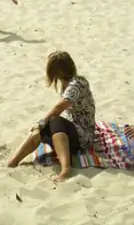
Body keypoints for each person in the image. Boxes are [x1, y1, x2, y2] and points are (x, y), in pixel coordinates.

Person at [7, 51, 96, 181]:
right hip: (72, 131)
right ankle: (13, 162)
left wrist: (39, 125)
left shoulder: (77, 84)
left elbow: (58, 109)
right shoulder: (66, 83)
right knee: (44, 126)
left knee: (53, 120)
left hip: (83, 136)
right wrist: (39, 127)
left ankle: (66, 169)